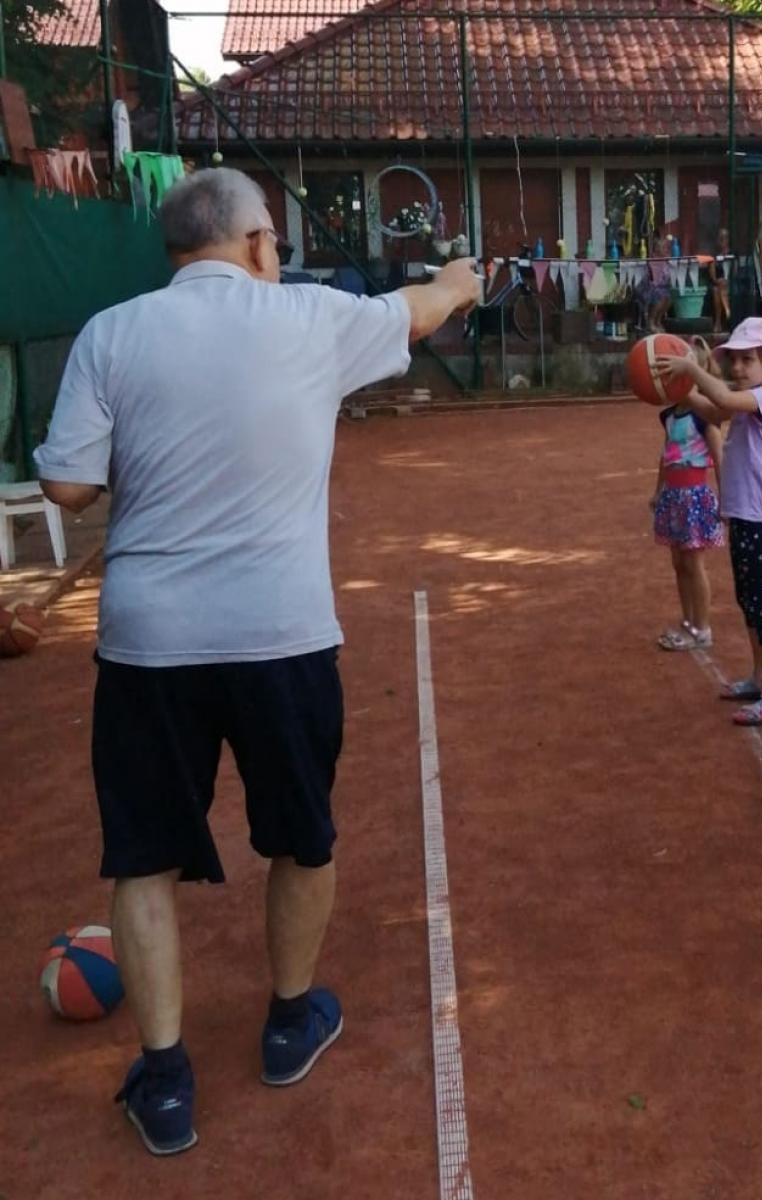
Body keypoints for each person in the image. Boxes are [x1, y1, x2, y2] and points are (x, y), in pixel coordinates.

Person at [33, 168, 482, 1156]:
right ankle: (288, 1020)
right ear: (259, 242)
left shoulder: (113, 332)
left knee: (143, 855)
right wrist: (459, 277)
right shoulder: (309, 320)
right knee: (300, 836)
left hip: (148, 642)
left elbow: (67, 483)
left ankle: (164, 1081)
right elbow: (421, 309)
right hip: (281, 634)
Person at [659, 316, 762, 725]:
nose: (737, 368)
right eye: (733, 360)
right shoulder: (748, 399)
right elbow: (712, 405)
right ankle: (760, 677)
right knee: (748, 601)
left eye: (747, 359)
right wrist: (683, 387)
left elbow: (726, 401)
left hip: (759, 516)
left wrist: (693, 369)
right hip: (743, 514)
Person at [651, 337, 725, 651]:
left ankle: (703, 627)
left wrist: (726, 498)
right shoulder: (669, 416)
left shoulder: (703, 416)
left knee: (694, 565)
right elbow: (665, 455)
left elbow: (719, 458)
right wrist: (658, 492)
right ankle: (688, 622)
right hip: (673, 497)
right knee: (679, 564)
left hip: (695, 495)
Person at [708, 228, 732, 334]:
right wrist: (718, 280)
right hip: (719, 284)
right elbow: (712, 275)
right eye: (721, 238)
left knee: (720, 290)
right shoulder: (714, 256)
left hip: (730, 283)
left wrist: (728, 280)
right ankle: (726, 313)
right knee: (716, 290)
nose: (723, 241)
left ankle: (718, 322)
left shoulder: (732, 253)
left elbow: (735, 272)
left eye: (725, 238)